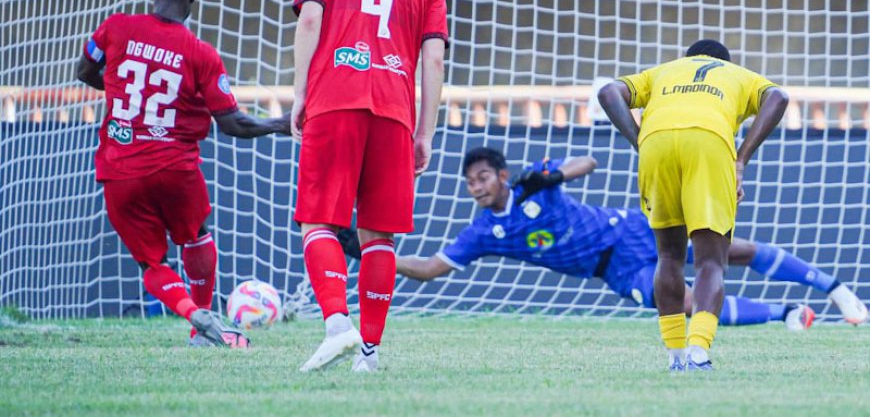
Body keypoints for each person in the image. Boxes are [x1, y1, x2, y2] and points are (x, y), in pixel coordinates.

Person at [338, 147, 866, 332]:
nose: (475, 187)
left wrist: (553, 176)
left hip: (636, 228)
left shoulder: (531, 182)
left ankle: (835, 289)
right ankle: (789, 314)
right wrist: (372, 250)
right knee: (680, 305)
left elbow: (588, 162)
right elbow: (431, 267)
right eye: (469, 182)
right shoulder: (484, 233)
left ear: (500, 176)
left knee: (734, 250)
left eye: (482, 177)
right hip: (616, 270)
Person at [76, 0, 292, 348]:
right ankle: (201, 331)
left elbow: (84, 70)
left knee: (151, 265)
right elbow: (232, 124)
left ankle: (194, 314)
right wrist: (281, 123)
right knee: (196, 237)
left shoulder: (115, 27)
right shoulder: (200, 53)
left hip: (120, 168)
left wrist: (119, 92)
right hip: (176, 166)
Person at [291, 0, 448, 372]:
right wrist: (425, 133)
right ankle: (369, 354)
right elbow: (435, 59)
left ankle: (338, 326)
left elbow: (311, 18)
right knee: (379, 234)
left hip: (334, 99)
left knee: (319, 221)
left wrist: (299, 95)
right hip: (395, 111)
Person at [596, 39, 791, 371]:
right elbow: (779, 97)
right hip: (709, 142)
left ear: (689, 59)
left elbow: (608, 92)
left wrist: (639, 141)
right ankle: (698, 354)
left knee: (669, 256)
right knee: (710, 262)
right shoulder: (737, 74)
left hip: (656, 142)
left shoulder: (663, 72)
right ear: (724, 61)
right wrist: (741, 159)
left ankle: (675, 358)